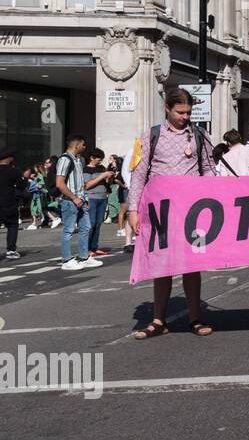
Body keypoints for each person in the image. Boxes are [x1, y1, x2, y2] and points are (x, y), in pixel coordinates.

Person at [129, 87, 216, 338]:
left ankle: (195, 318)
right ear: (167, 108)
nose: (185, 117)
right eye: (180, 112)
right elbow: (138, 175)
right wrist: (133, 210)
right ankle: (158, 320)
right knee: (162, 265)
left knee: (192, 265)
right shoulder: (150, 136)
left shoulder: (200, 135)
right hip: (161, 211)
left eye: (188, 112)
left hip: (194, 212)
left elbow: (209, 169)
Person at [52, 134, 103, 272]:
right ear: (76, 145)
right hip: (70, 201)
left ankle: (83, 257)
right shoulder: (65, 159)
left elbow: (81, 183)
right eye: (83, 144)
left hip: (80, 200)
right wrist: (74, 198)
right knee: (68, 230)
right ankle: (66, 260)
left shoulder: (78, 160)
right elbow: (59, 183)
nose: (85, 147)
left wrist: (83, 199)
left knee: (86, 227)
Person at [82, 148, 117, 257]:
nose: (100, 162)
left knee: (98, 224)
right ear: (91, 158)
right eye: (98, 159)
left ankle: (94, 247)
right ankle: (87, 249)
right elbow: (87, 185)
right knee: (91, 224)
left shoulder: (101, 168)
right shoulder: (85, 169)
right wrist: (102, 175)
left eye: (101, 159)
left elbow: (107, 183)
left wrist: (110, 177)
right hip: (91, 198)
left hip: (102, 198)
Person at [0, 148, 22, 259]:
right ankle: (11, 250)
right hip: (9, 202)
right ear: (9, 158)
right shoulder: (13, 171)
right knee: (12, 225)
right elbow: (21, 186)